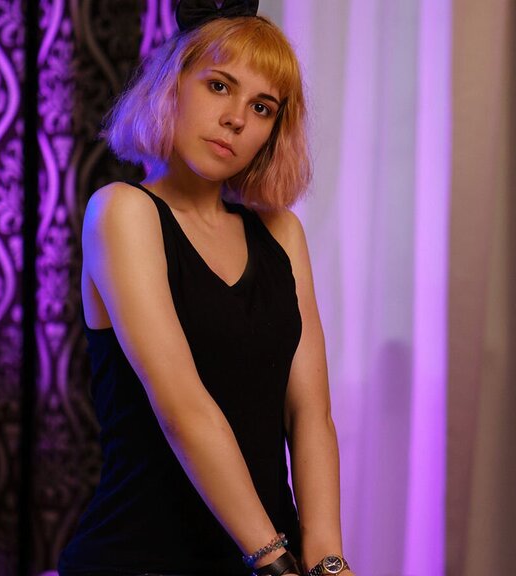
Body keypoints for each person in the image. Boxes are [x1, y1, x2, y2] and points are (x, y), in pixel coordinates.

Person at [58, 2, 352, 575]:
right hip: (144, 559)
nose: (236, 119)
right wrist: (273, 561)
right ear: (172, 85)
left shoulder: (281, 232)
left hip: (274, 556)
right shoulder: (122, 212)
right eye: (219, 86)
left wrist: (327, 559)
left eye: (261, 107)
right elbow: (184, 408)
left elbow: (311, 413)